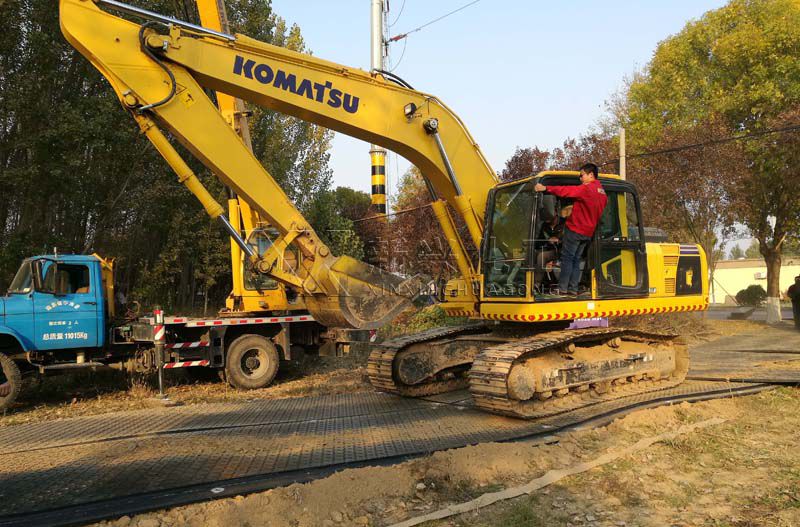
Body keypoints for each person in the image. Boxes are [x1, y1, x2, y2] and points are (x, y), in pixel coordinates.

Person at [534, 163, 607, 297]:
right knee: (576, 260)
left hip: (575, 230)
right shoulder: (602, 194)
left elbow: (566, 191)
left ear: (591, 175)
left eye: (582, 175)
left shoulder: (586, 189)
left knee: (567, 259)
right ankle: (573, 289)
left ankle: (562, 289)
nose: (580, 178)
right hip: (587, 233)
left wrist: (546, 188)